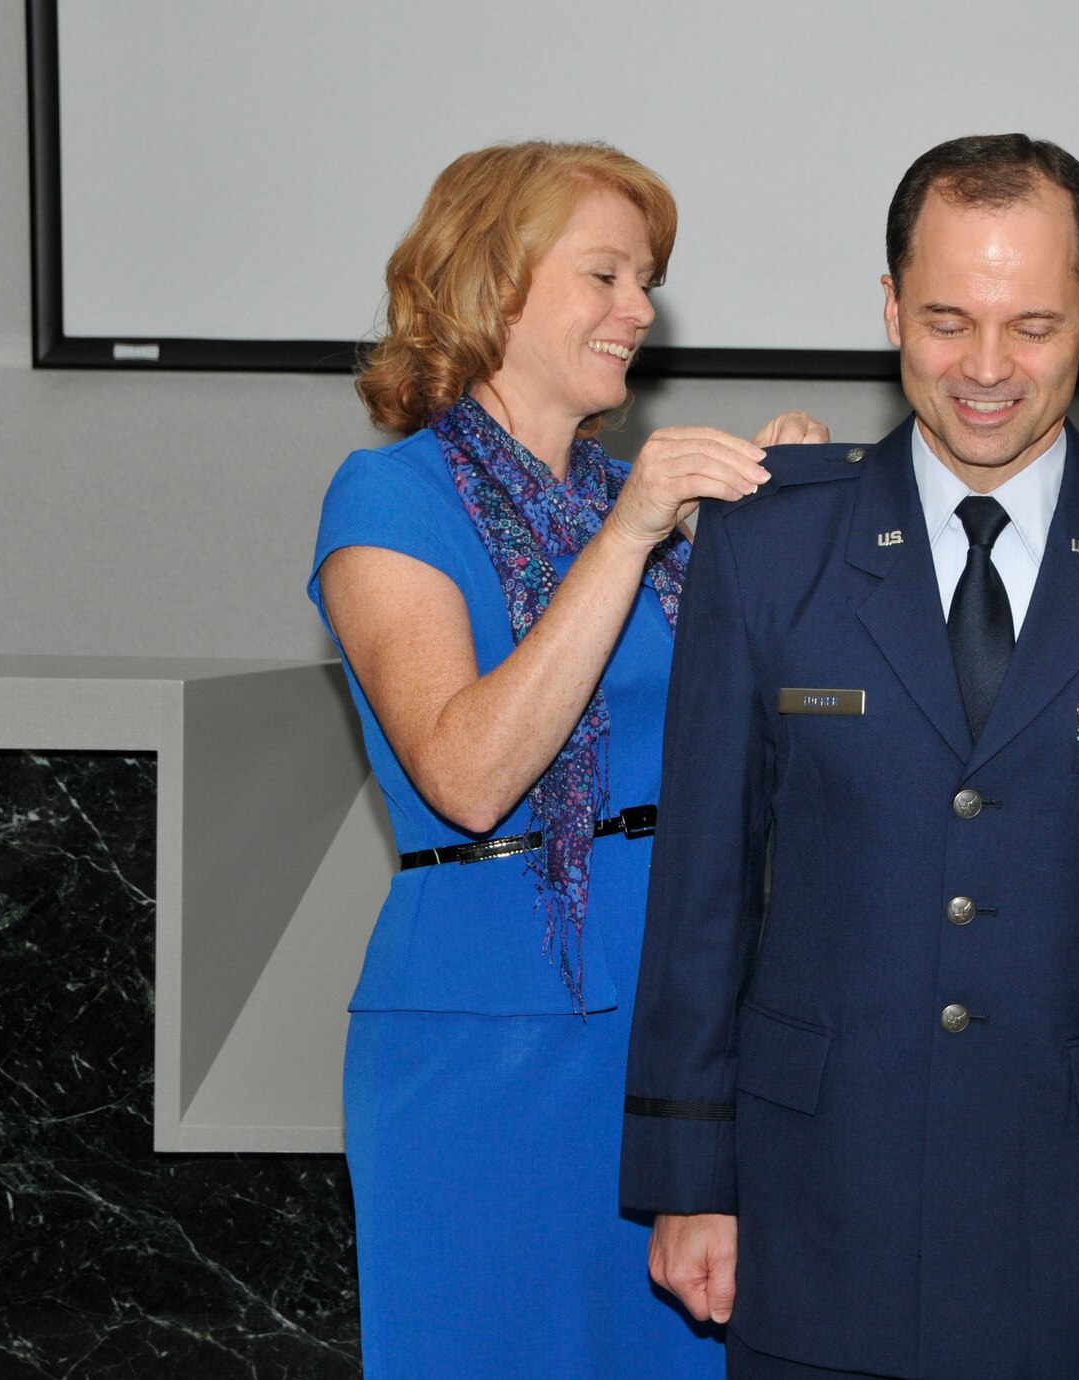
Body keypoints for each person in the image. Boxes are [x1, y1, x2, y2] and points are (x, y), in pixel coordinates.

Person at [618, 134, 1079, 1379]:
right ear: (886, 309)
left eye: (1031, 324)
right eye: (944, 320)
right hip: (817, 1209)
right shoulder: (766, 547)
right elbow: (699, 885)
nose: (986, 370)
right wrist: (684, 1174)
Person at [309, 140, 826, 1377]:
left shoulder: (640, 504)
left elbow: (776, 749)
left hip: (683, 1025)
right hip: (489, 1042)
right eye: (604, 274)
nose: (639, 309)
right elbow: (470, 771)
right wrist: (636, 533)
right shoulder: (389, 498)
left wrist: (790, 536)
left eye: (643, 278)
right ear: (493, 284)